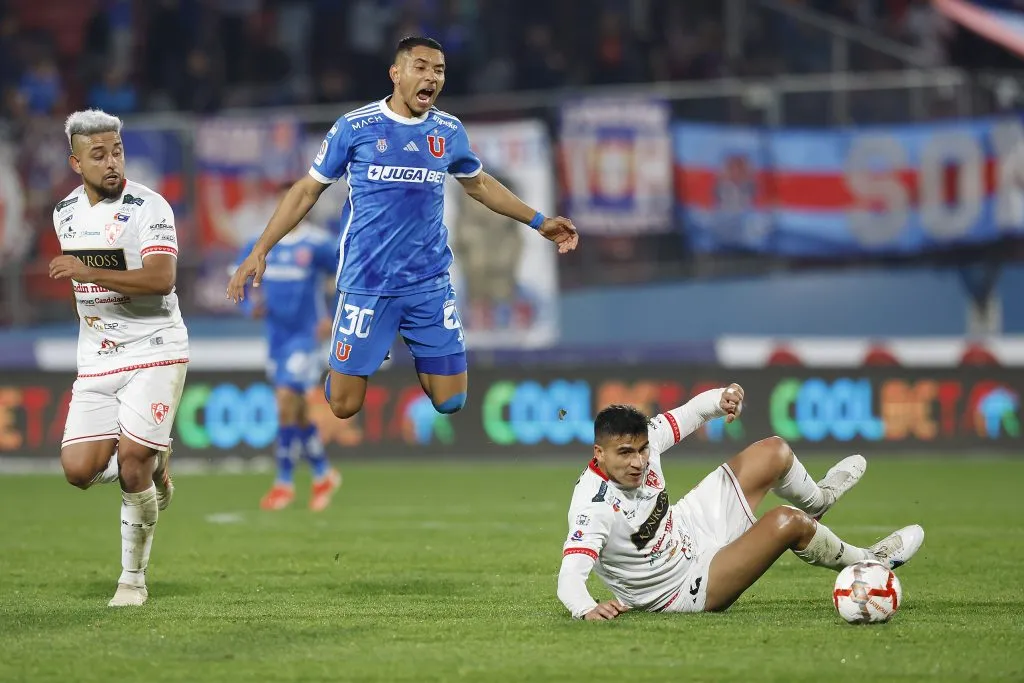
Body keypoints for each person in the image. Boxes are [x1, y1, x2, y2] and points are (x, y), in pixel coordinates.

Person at [227, 36, 579, 420]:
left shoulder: (448, 131)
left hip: (427, 283)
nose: (432, 77)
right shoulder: (355, 127)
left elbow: (478, 184)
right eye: (422, 67)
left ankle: (401, 340)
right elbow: (306, 191)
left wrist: (540, 221)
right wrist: (261, 249)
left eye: (439, 70)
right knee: (344, 406)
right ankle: (363, 352)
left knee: (450, 400)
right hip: (367, 284)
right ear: (396, 73)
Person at [557, 385, 925, 620]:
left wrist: (722, 398)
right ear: (599, 454)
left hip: (690, 526)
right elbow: (569, 579)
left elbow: (692, 412)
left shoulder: (644, 444)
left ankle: (818, 501)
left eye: (642, 451)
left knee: (774, 452)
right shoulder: (593, 507)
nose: (638, 462)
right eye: (625, 454)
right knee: (785, 522)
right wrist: (587, 608)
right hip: (682, 587)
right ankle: (869, 561)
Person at [49, 109, 189, 607]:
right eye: (99, 155)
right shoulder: (64, 212)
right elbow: (76, 285)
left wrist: (87, 268)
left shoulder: (150, 207)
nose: (112, 163)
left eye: (118, 151)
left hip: (155, 347)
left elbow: (160, 279)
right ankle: (155, 461)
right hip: (98, 358)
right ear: (76, 162)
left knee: (130, 465)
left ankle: (132, 581)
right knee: (77, 470)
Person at [232, 186, 342, 511]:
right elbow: (236, 279)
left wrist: (333, 318)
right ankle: (323, 473)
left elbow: (350, 277)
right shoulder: (260, 244)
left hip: (305, 338)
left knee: (284, 401)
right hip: (276, 340)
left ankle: (283, 483)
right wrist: (247, 307)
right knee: (297, 409)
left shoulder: (318, 243)